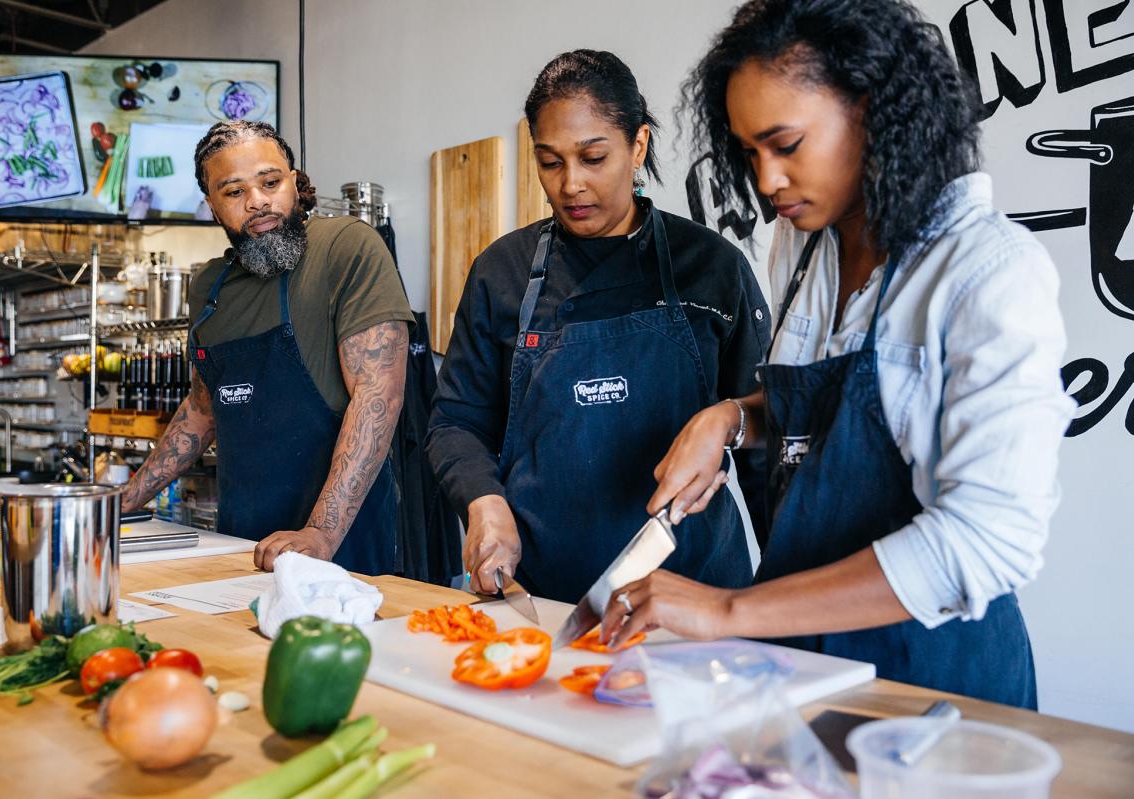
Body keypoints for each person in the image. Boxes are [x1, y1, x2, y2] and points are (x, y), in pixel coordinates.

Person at [600, 0, 1076, 709]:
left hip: (934, 682)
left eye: (786, 145)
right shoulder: (801, 246)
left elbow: (986, 540)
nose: (765, 181)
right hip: (804, 663)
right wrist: (731, 419)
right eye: (749, 151)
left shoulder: (986, 270)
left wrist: (725, 611)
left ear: (873, 110)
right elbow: (821, 413)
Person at [427, 50, 771, 604]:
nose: (570, 186)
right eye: (550, 161)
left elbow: (766, 432)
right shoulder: (503, 273)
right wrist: (482, 502)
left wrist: (778, 595)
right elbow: (455, 422)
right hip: (543, 602)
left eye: (593, 157)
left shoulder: (711, 269)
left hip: (695, 598)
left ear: (638, 145)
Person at [120, 121, 414, 574]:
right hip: (240, 539)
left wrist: (320, 532)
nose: (257, 202)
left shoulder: (347, 247)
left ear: (294, 184)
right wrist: (124, 500)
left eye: (270, 182)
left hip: (339, 544)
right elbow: (202, 410)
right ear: (212, 207)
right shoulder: (207, 288)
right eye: (234, 192)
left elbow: (378, 396)